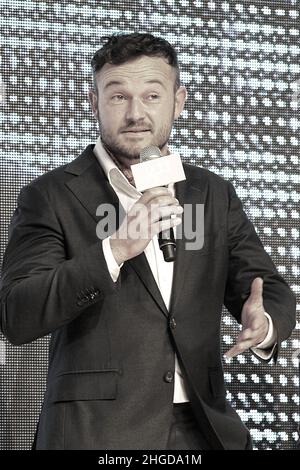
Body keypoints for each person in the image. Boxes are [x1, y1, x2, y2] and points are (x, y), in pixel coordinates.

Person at [0, 33, 296, 450]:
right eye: (118, 96)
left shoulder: (211, 193)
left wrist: (264, 324)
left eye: (152, 95)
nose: (136, 113)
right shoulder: (50, 196)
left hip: (207, 429)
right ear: (94, 102)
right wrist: (117, 248)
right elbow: (18, 314)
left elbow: (269, 290)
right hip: (98, 432)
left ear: (178, 102)